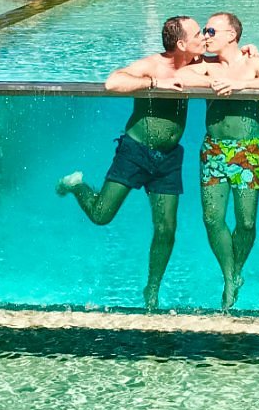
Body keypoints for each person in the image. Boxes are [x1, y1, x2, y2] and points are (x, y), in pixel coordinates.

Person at [55, 16, 205, 310]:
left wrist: (247, 53)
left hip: (169, 157)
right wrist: (155, 83)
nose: (204, 38)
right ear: (181, 43)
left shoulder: (198, 63)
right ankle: (76, 186)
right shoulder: (153, 64)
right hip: (135, 150)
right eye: (199, 33)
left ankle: (152, 289)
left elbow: (235, 69)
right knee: (101, 215)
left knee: (166, 229)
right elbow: (113, 82)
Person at [164, 12, 259, 311]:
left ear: (232, 35)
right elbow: (178, 76)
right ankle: (230, 276)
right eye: (204, 31)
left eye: (210, 30)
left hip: (248, 150)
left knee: (246, 221)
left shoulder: (254, 64)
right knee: (212, 219)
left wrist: (241, 86)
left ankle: (236, 271)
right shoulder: (206, 67)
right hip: (214, 150)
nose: (205, 36)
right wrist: (208, 82)